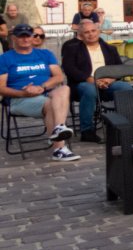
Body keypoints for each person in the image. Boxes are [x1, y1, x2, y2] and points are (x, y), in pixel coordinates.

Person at [0, 23, 76, 160]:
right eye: (21, 36)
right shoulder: (5, 58)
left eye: (28, 36)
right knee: (50, 104)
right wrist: (23, 93)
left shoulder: (45, 54)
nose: (25, 39)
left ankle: (58, 128)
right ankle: (59, 149)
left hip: (45, 91)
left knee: (64, 88)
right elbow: (1, 88)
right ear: (14, 38)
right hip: (20, 98)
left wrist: (42, 87)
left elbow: (58, 76)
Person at [61, 19, 132, 143]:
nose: (91, 34)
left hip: (107, 83)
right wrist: (90, 79)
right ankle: (87, 131)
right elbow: (69, 69)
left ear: (99, 31)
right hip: (82, 84)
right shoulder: (72, 49)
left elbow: (119, 69)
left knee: (125, 87)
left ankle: (125, 125)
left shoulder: (110, 49)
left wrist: (110, 79)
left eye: (93, 31)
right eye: (87, 32)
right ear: (81, 36)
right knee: (90, 90)